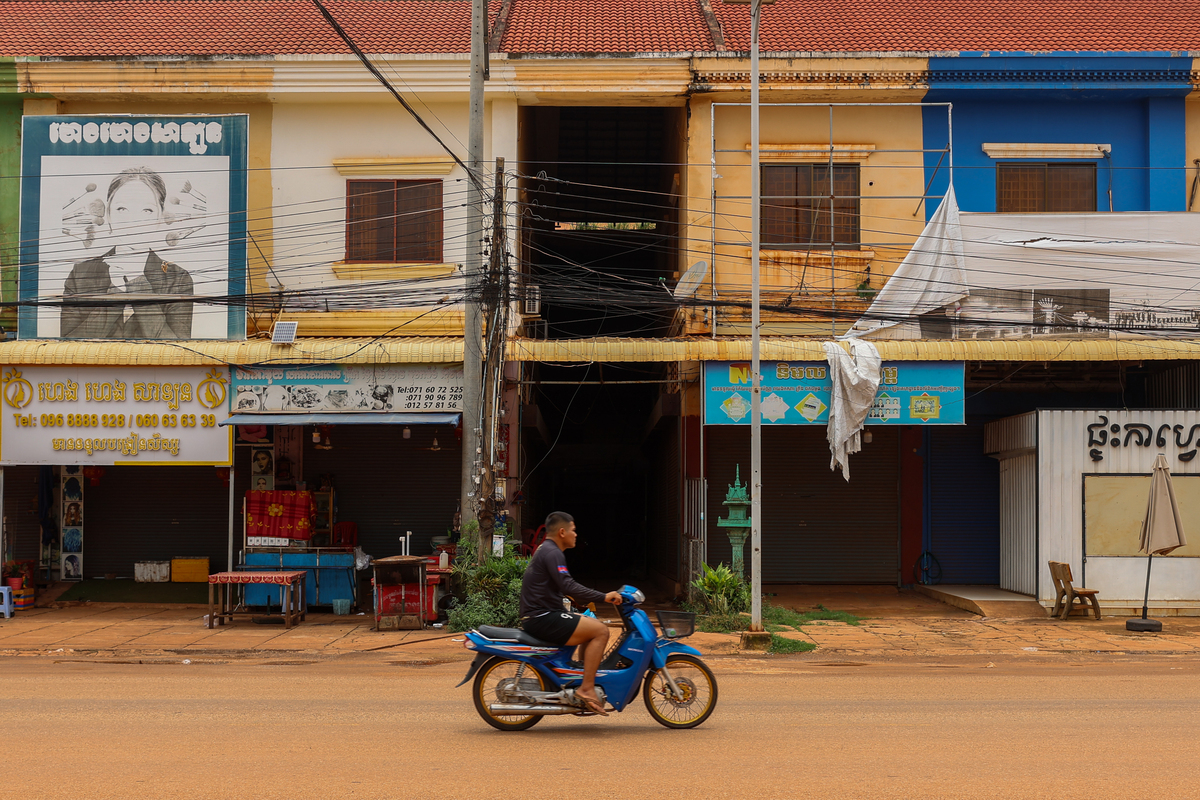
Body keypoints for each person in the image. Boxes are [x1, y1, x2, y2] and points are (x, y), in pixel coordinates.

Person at [61, 167, 194, 339]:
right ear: (108, 214)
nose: (133, 221)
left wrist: (138, 284)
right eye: (122, 209)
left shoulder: (179, 280)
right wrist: (114, 294)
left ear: (160, 217)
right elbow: (69, 346)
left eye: (147, 210)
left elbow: (178, 350)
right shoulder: (80, 274)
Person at [519, 511, 622, 716]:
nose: (576, 535)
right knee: (601, 631)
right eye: (573, 531)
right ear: (562, 532)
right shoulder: (553, 552)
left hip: (541, 614)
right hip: (542, 617)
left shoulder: (547, 549)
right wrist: (603, 596)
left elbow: (562, 586)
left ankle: (583, 677)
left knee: (589, 623)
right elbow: (568, 585)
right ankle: (587, 688)